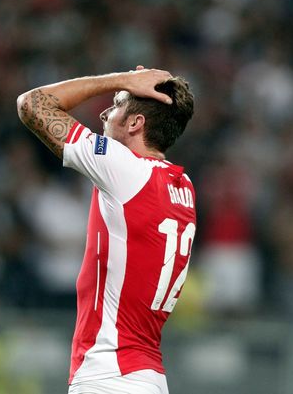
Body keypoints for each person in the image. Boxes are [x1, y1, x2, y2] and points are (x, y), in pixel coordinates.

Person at [16, 66, 196, 394]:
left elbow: (32, 104)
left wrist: (120, 79)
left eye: (115, 105)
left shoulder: (123, 168)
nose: (104, 114)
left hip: (108, 376)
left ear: (135, 123)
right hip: (149, 379)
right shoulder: (183, 186)